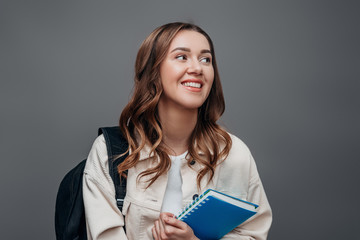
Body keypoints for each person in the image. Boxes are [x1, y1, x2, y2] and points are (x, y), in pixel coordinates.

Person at [83, 22, 272, 240]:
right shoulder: (110, 153)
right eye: (182, 57)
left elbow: (254, 235)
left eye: (206, 59)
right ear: (154, 70)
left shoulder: (234, 154)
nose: (197, 68)